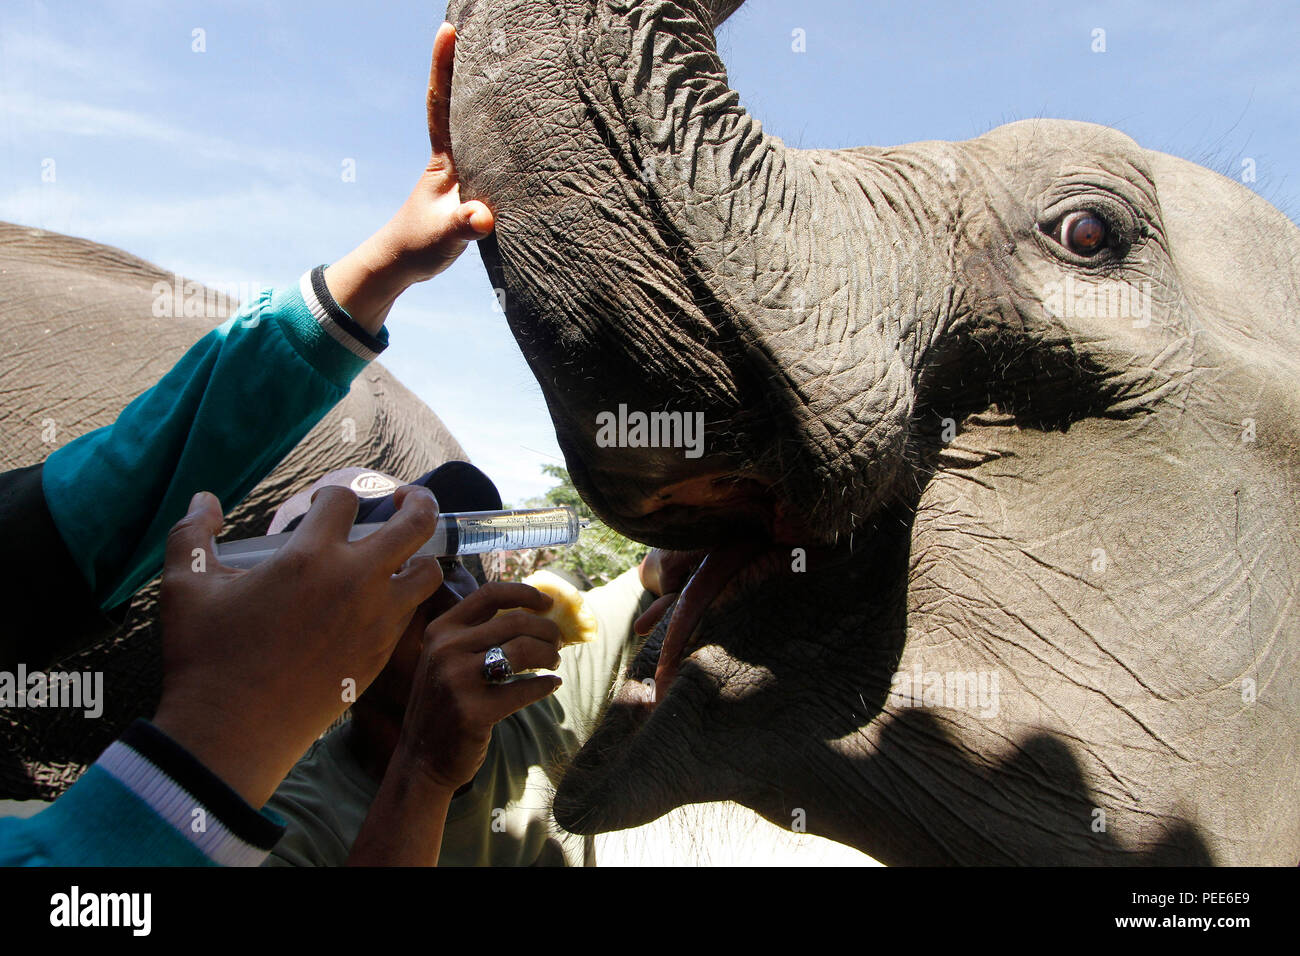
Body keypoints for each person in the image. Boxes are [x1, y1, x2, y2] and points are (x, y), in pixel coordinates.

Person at [0, 24, 512, 865]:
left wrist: (376, 270)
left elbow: (87, 508)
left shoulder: (495, 734)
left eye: (452, 565)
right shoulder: (299, 807)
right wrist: (223, 733)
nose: (439, 589)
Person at [261, 464, 695, 866]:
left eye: (449, 561)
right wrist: (426, 771)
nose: (448, 595)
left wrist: (671, 557)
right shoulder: (288, 831)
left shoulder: (542, 692)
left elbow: (650, 577)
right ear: (317, 643)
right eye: (393, 572)